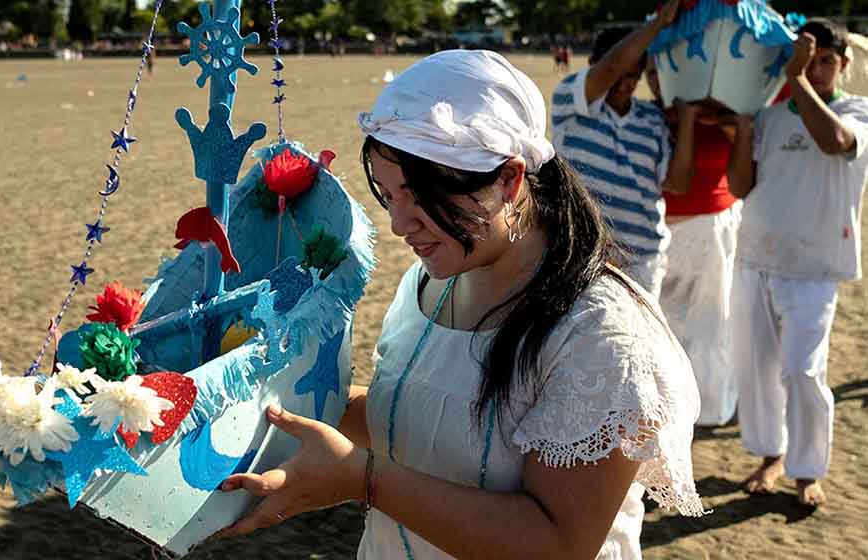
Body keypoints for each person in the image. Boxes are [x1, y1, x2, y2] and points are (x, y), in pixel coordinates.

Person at [215, 49, 705, 559]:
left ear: (509, 180)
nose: (400, 223)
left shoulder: (600, 333)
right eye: (388, 194)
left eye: (421, 195)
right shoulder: (430, 280)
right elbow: (407, 414)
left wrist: (364, 480)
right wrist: (263, 397)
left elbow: (559, 542)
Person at [726, 20, 868, 507]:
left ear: (844, 64)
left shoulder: (858, 111)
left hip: (815, 268)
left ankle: (809, 471)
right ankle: (771, 455)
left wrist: (797, 78)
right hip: (754, 257)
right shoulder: (772, 115)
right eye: (810, 59)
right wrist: (745, 124)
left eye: (827, 60)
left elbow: (833, 141)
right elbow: (741, 186)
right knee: (756, 370)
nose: (818, 68)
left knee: (803, 373)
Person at [551, 0, 695, 297]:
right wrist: (658, 23)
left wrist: (688, 121)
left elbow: (678, 184)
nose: (623, 82)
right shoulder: (571, 102)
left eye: (633, 75)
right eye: (618, 72)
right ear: (594, 65)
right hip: (578, 255)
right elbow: (613, 65)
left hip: (642, 263)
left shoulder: (653, 119)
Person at [644, 57, 742, 427]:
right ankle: (665, 408)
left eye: (663, 71)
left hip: (710, 225)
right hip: (656, 231)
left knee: (710, 322)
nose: (657, 80)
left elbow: (752, 162)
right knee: (661, 324)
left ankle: (708, 410)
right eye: (651, 73)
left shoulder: (720, 111)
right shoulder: (645, 115)